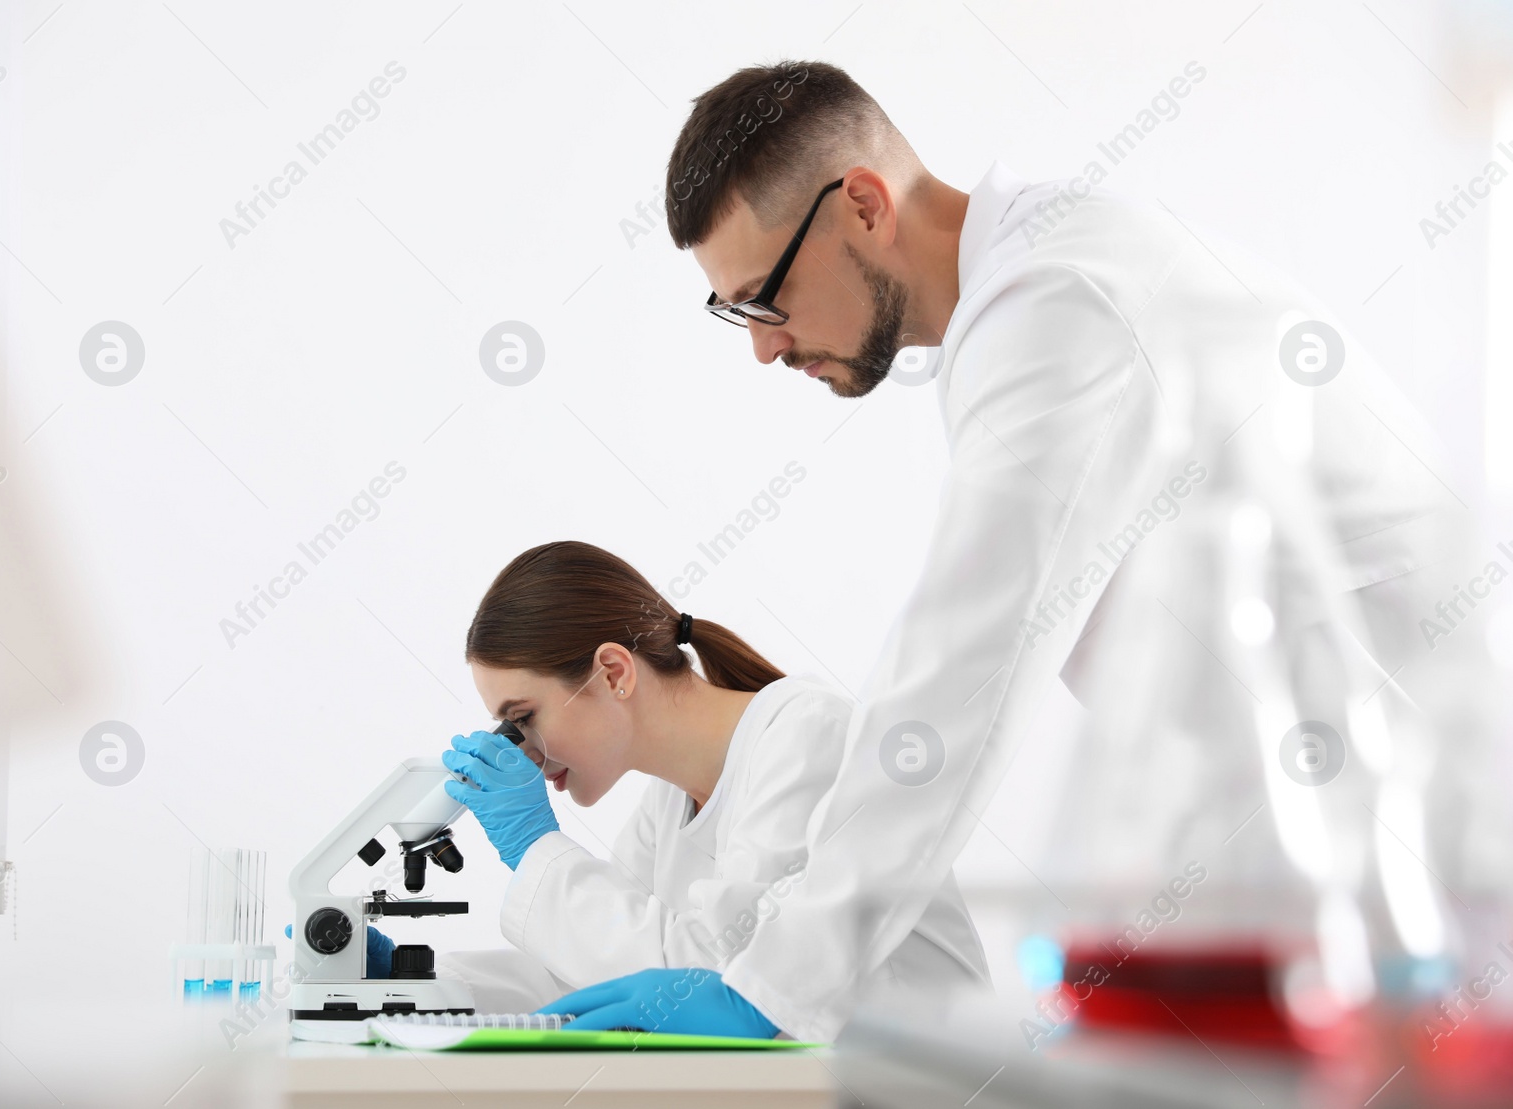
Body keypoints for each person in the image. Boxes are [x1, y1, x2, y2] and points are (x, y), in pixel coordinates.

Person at [531, 60, 1492, 1040]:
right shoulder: (1035, 288)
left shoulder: (1059, 305)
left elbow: (958, 674)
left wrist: (771, 988)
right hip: (1362, 873)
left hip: (1446, 876)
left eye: (763, 299)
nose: (763, 350)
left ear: (862, 205)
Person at [371, 539, 989, 1019]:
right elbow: (597, 977)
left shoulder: (808, 738)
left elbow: (723, 982)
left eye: (522, 720)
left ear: (613, 672)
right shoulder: (671, 798)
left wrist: (534, 846)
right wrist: (416, 980)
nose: (524, 755)